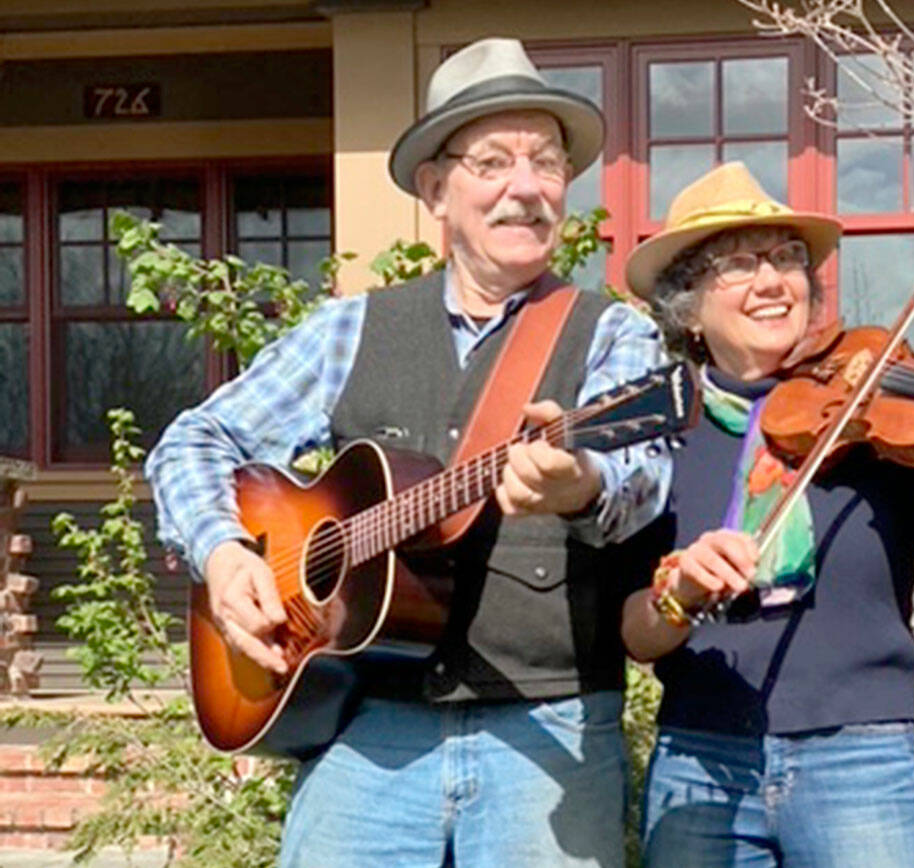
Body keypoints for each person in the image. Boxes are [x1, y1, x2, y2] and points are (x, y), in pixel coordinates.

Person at [146, 37, 670, 868]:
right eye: (493, 162)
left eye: (546, 162)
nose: (526, 188)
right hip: (368, 726)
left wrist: (582, 483)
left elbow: (643, 473)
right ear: (436, 188)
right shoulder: (350, 328)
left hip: (550, 725)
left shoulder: (615, 335)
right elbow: (194, 440)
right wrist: (219, 554)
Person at [620, 162, 914, 868]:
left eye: (788, 258)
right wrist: (682, 591)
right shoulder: (658, 434)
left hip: (861, 759)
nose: (772, 280)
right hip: (699, 758)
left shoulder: (877, 413)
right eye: (737, 265)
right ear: (688, 309)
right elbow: (635, 633)